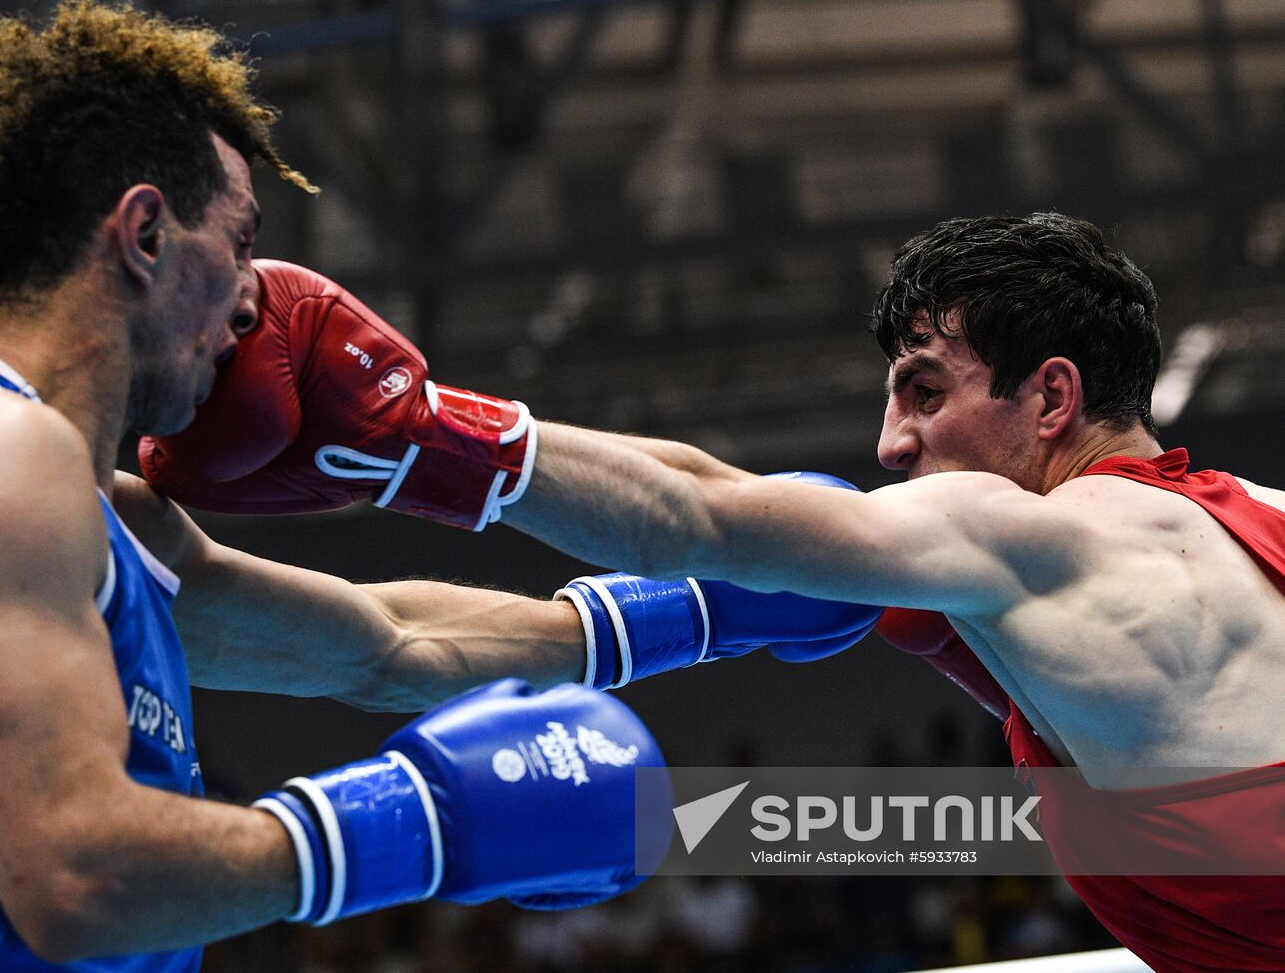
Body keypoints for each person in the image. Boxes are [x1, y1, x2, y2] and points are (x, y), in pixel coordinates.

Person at [152, 213, 1285, 972]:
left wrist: (423, 434)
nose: (889, 445)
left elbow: (697, 512)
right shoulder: (1247, 522)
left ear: (1052, 399)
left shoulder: (1030, 540)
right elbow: (471, 635)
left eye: (924, 391)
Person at [0, 0, 769, 972]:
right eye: (240, 243)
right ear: (145, 233)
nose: (257, 296)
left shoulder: (119, 523)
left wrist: (703, 607)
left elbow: (391, 645)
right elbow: (79, 877)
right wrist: (416, 825)